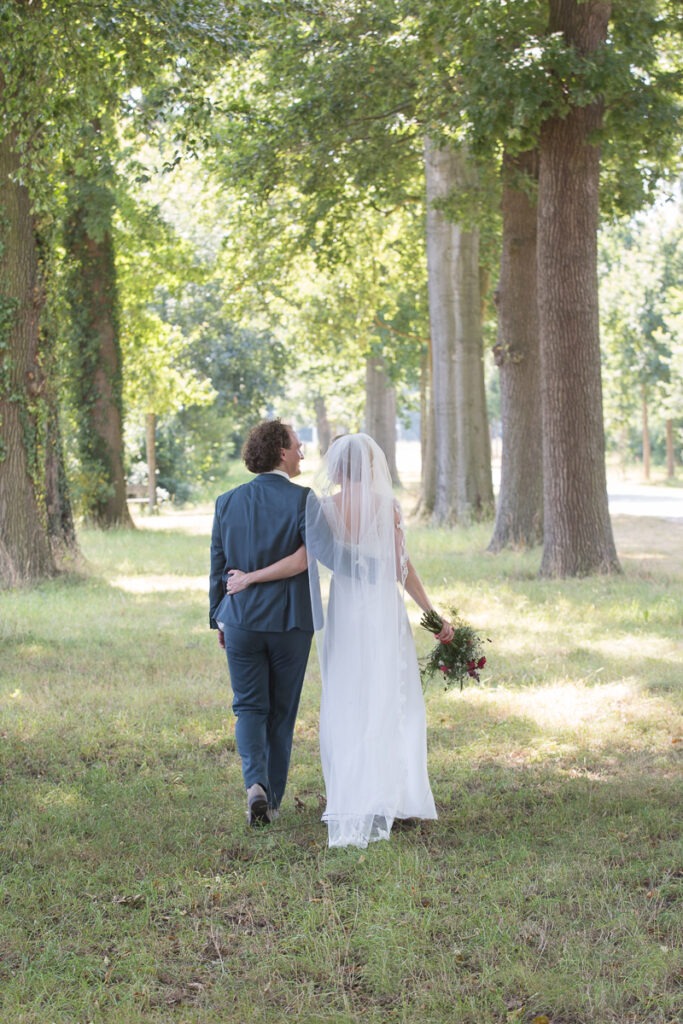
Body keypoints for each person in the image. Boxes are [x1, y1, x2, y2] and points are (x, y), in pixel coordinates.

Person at [226, 432, 454, 848]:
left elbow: (302, 559)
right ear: (371, 466)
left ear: (336, 466)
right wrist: (431, 613)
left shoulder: (323, 506)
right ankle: (394, 795)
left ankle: (352, 796)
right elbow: (403, 569)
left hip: (345, 614)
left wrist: (250, 578)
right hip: (382, 611)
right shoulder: (388, 506)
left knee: (348, 698)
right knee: (387, 698)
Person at [209, 419, 312, 827]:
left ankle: (255, 784)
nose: (302, 452)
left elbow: (218, 564)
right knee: (281, 713)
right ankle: (271, 801)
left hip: (240, 620)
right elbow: (306, 559)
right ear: (281, 452)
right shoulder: (304, 500)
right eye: (298, 445)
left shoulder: (227, 501)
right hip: (289, 623)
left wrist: (219, 617)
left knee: (249, 708)